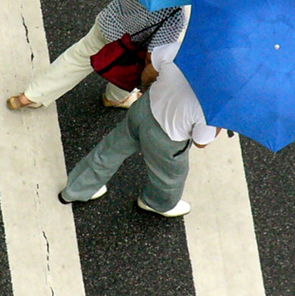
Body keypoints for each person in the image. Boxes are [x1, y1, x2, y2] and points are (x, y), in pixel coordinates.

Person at [58, 41, 221, 217]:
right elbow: (200, 142)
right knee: (169, 177)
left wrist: (144, 87)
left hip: (143, 110)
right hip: (167, 140)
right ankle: (156, 203)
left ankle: (76, 189)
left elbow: (151, 70)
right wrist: (219, 124)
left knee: (111, 149)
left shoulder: (183, 49)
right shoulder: (214, 104)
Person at [7, 0, 185, 110]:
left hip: (107, 24)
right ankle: (115, 98)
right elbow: (153, 56)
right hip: (129, 47)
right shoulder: (176, 14)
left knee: (76, 60)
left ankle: (29, 97)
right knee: (128, 73)